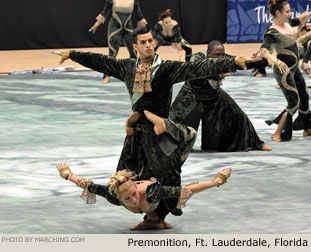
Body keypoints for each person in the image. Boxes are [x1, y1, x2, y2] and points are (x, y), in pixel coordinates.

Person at [52, 26, 260, 227]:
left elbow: (195, 68)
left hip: (161, 132)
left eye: (151, 40)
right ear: (135, 47)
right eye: (143, 42)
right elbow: (101, 62)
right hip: (135, 134)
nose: (149, 45)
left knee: (168, 178)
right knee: (124, 180)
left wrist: (232, 63)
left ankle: (158, 218)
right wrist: (72, 53)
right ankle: (151, 218)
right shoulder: (127, 68)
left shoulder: (166, 68)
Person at [56, 110, 232, 230]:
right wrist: (68, 175)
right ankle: (155, 133)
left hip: (135, 175)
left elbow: (185, 190)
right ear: (118, 198)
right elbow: (89, 186)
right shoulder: (115, 195)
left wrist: (216, 182)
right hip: (139, 178)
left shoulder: (149, 192)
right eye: (128, 198)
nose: (134, 199)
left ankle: (131, 131)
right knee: (168, 166)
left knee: (186, 138)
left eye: (133, 194)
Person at [169, 40, 272, 152]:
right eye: (217, 55)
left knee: (239, 116)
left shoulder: (223, 58)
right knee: (173, 125)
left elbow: (239, 63)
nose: (221, 57)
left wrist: (261, 62)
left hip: (213, 94)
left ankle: (256, 144)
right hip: (191, 95)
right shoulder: (196, 59)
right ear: (208, 54)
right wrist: (222, 72)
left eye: (222, 54)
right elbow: (204, 72)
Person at [255, 0, 311, 142]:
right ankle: (277, 133)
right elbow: (264, 50)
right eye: (287, 11)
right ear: (278, 13)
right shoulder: (272, 32)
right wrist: (277, 61)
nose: (290, 13)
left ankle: (307, 129)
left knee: (304, 96)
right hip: (284, 71)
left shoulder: (288, 24)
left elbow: (300, 19)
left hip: (294, 69)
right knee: (294, 102)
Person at [88, 0, 147, 84]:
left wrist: (144, 31)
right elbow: (105, 11)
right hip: (114, 28)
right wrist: (97, 24)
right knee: (112, 53)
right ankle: (107, 75)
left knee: (133, 52)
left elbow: (139, 14)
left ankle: (133, 74)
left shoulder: (134, 1)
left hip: (128, 28)